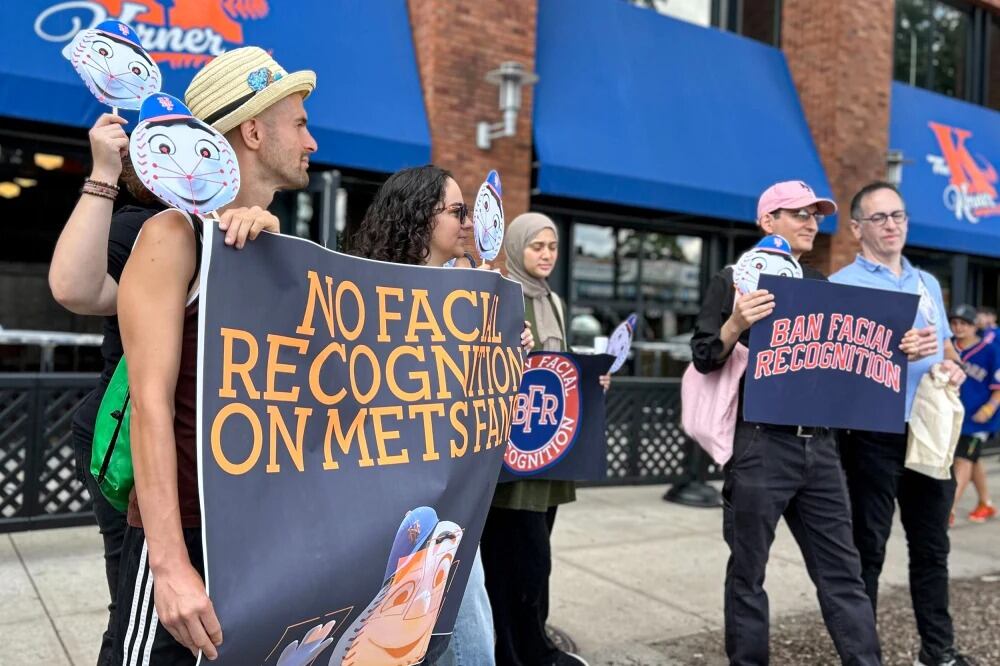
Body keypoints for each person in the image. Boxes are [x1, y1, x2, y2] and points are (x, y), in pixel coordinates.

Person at [47, 111, 278, 665]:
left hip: (209, 467)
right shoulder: (155, 227)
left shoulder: (238, 231)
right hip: (133, 445)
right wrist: (103, 171)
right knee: (141, 610)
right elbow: (75, 287)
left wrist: (263, 242)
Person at [111, 46, 317, 664]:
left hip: (263, 536)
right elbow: (149, 404)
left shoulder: (281, 248)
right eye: (300, 123)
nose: (312, 141)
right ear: (253, 130)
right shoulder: (173, 235)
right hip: (188, 534)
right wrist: (170, 567)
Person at [348, 164, 533, 666]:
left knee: (465, 636)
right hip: (381, 494)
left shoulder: (472, 290)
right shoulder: (365, 289)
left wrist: (508, 352)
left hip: (448, 496)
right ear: (417, 217)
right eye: (456, 211)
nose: (467, 222)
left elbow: (482, 397)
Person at [691, 181, 881, 666]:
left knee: (843, 573)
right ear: (767, 221)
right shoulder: (734, 278)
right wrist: (734, 324)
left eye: (815, 215)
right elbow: (704, 357)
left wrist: (893, 349)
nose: (811, 223)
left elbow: (844, 362)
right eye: (798, 214)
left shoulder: (818, 284)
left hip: (819, 448)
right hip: (760, 445)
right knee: (748, 573)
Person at [830, 181, 970, 666]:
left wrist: (952, 364)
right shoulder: (841, 286)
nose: (891, 225)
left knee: (932, 549)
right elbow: (828, 368)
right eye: (879, 218)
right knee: (866, 551)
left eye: (898, 216)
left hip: (928, 430)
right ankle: (862, 659)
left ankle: (939, 653)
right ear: (855, 229)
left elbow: (949, 349)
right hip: (871, 435)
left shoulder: (926, 283)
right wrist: (886, 347)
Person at [480, 211, 608, 666]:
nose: (547, 255)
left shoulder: (555, 301)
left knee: (538, 553)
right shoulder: (500, 295)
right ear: (516, 247)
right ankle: (513, 649)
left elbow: (559, 366)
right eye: (537, 246)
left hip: (549, 448)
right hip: (512, 453)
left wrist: (589, 379)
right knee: (516, 556)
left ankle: (534, 640)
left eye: (552, 247)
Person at [948, 304, 998, 525]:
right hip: (954, 416)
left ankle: (947, 510)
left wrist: (989, 409)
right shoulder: (948, 347)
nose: (958, 327)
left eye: (964, 323)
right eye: (954, 323)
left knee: (963, 460)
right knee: (973, 459)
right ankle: (985, 503)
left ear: (974, 326)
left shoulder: (991, 351)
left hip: (979, 419)